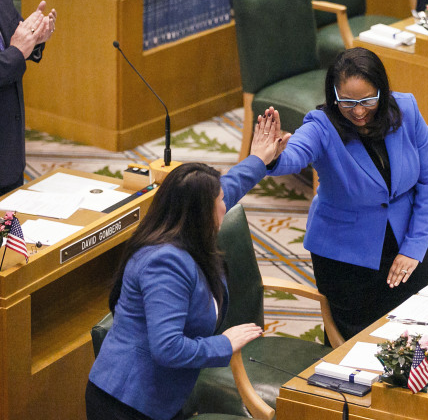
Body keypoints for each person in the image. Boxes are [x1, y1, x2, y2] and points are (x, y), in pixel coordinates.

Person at [86, 114, 287, 420]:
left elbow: (229, 187)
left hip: (162, 398)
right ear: (201, 213)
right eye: (220, 202)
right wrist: (224, 344)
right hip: (127, 403)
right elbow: (167, 348)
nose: (226, 205)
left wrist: (259, 158)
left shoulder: (187, 223)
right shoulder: (165, 263)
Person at [263, 47, 428, 343]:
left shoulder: (407, 109)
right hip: (347, 257)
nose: (358, 111)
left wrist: (414, 246)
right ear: (334, 94)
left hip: (409, 240)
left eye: (367, 100)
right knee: (356, 345)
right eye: (347, 102)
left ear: (382, 92)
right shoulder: (321, 125)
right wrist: (273, 157)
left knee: (411, 334)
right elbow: (294, 155)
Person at [0, 0, 57, 196]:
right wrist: (17, 52)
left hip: (9, 147)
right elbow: (15, 51)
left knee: (11, 220)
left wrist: (35, 38)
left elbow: (16, 39)